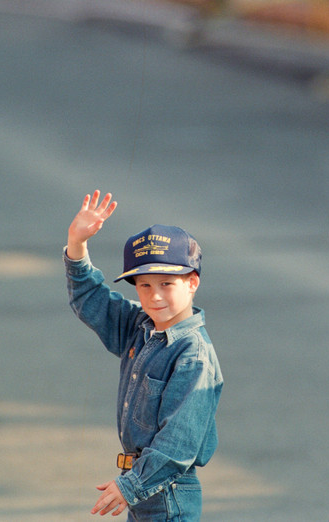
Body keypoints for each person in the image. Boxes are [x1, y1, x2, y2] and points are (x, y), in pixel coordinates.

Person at [64, 191, 223, 520]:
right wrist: (77, 244)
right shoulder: (141, 327)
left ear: (192, 282)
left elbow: (179, 440)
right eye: (144, 285)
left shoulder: (192, 354)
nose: (155, 296)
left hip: (167, 491)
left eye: (167, 284)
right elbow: (91, 300)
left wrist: (130, 486)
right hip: (144, 486)